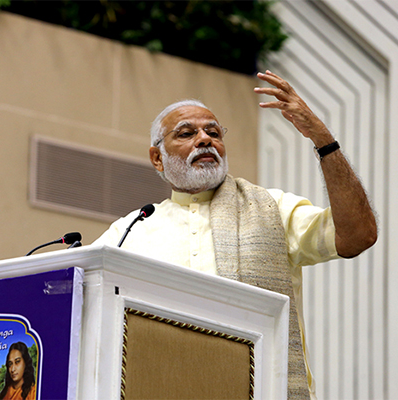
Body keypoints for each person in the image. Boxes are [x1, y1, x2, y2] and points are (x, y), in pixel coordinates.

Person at [93, 70, 377, 399]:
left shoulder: (273, 209)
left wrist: (323, 140)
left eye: (213, 132)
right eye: (186, 133)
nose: (204, 140)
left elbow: (359, 235)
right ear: (158, 158)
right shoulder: (131, 230)